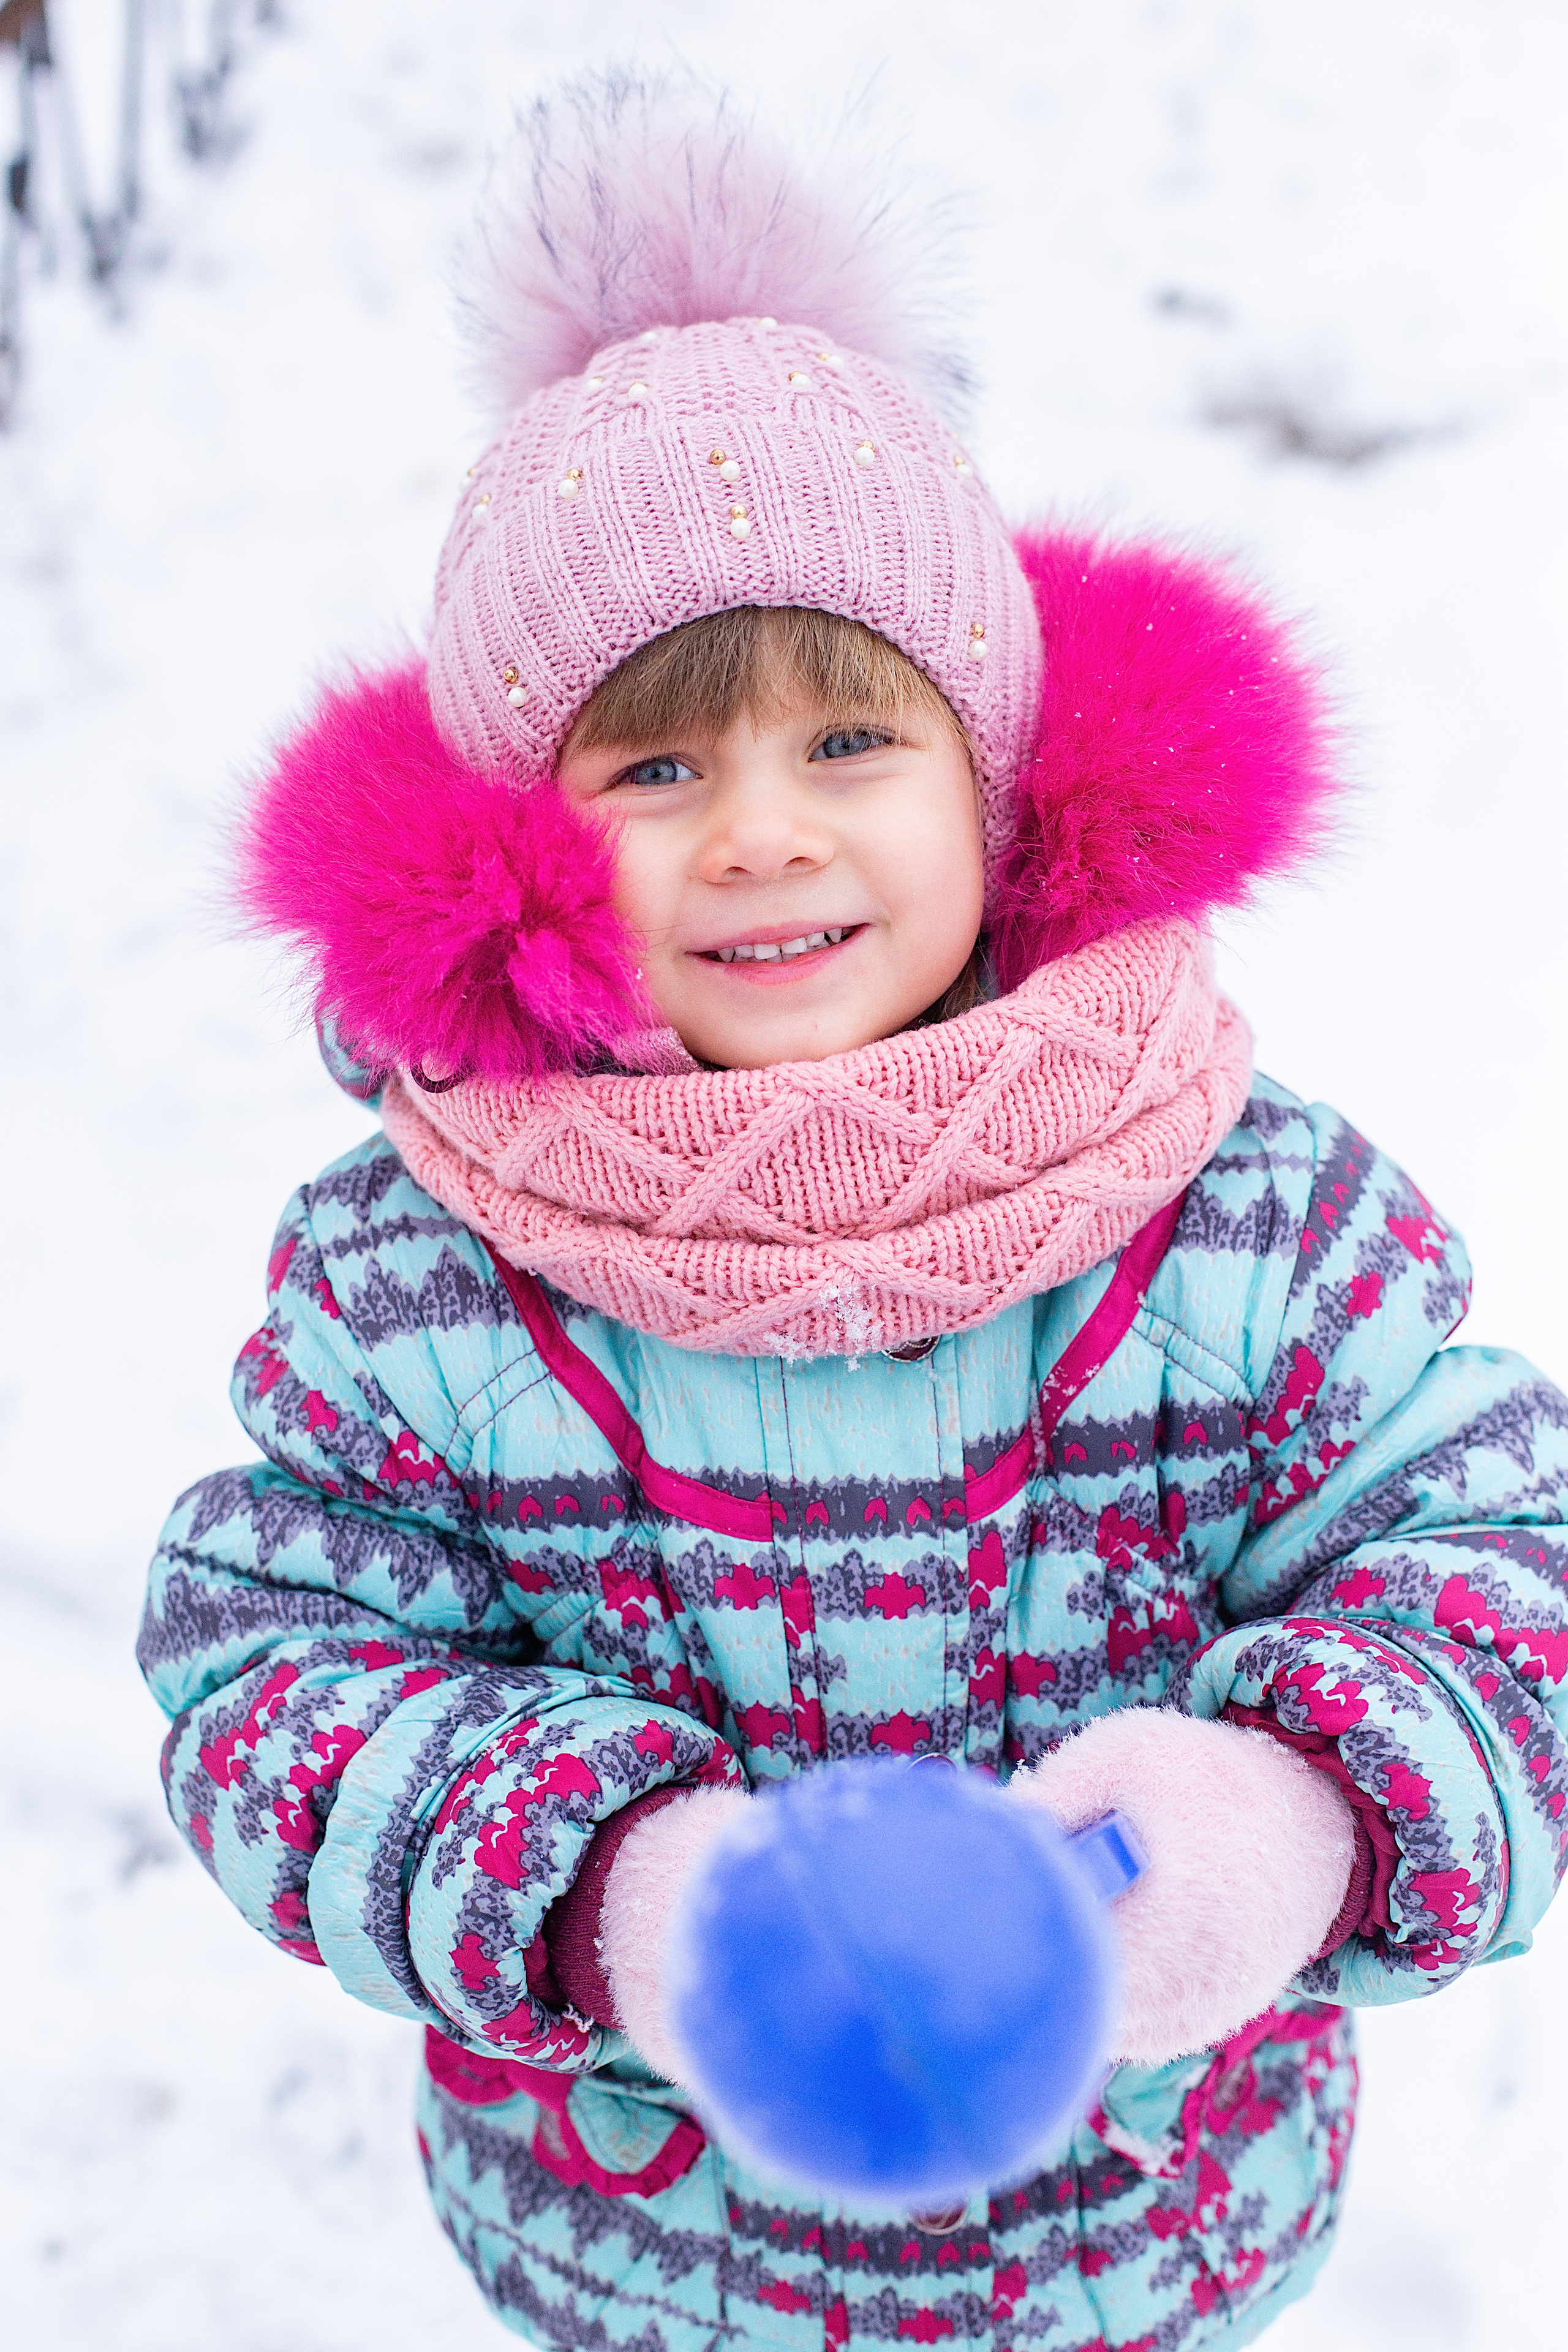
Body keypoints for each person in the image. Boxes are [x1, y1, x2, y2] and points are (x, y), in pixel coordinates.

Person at [139, 68, 1568, 2352]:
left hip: (1149, 2241)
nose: (766, 836)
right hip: (644, 2259)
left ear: (994, 781)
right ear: (524, 838)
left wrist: (1285, 1818)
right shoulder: (420, 1274)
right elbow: (271, 1674)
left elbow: (1508, 1570)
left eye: (849, 741)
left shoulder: (1251, 1223)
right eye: (659, 765)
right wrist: (629, 1892)